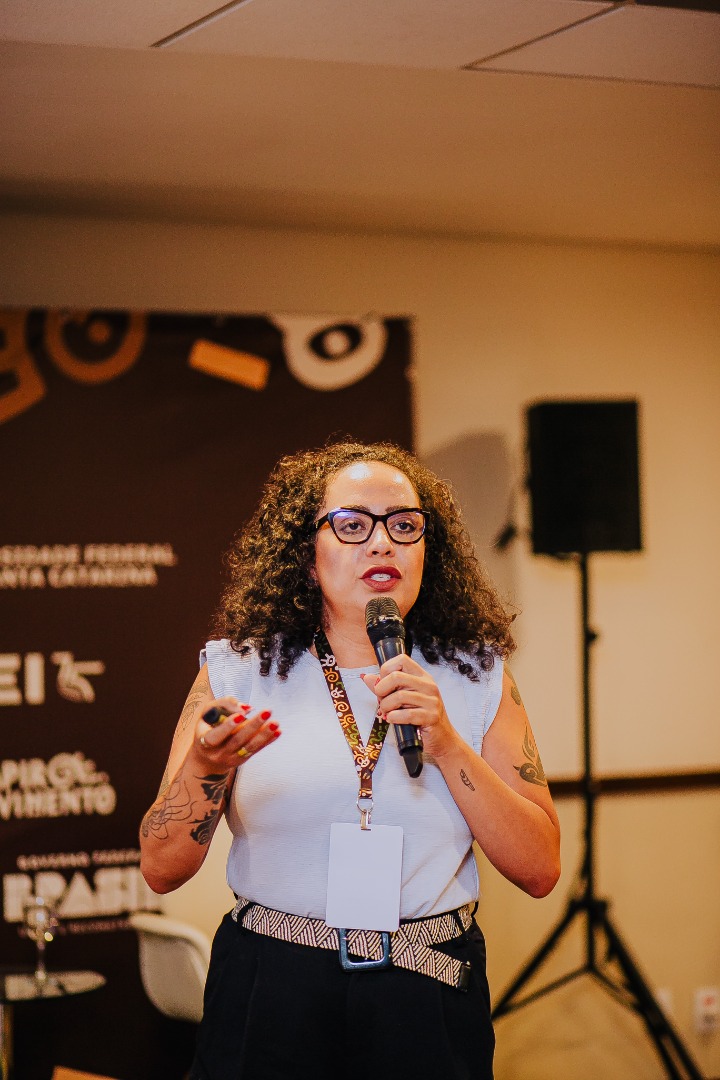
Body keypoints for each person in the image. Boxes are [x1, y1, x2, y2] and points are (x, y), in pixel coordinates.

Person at [139, 440, 561, 1080]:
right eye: (352, 525)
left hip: (425, 989)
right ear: (306, 557)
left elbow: (540, 869)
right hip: (272, 983)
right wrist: (204, 764)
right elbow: (161, 868)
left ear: (428, 550)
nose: (383, 543)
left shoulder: (476, 675)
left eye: (404, 525)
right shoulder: (241, 671)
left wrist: (448, 745)